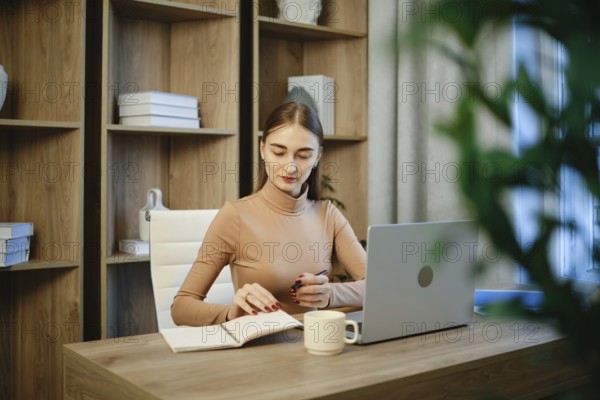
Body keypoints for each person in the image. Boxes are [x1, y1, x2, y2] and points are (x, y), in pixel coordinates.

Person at [171, 101, 366, 326]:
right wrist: (231, 313)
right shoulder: (234, 216)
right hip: (261, 351)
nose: (290, 166)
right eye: (279, 152)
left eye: (303, 155)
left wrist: (331, 294)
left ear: (318, 157)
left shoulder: (328, 215)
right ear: (263, 149)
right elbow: (181, 307)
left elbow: (378, 286)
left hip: (314, 344)